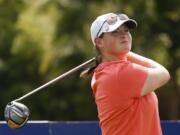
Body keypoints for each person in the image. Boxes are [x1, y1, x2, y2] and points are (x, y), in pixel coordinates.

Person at [80, 13, 170, 135]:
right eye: (115, 32)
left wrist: (124, 54)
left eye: (126, 30)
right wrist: (128, 53)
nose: (123, 35)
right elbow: (164, 74)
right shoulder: (119, 73)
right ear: (99, 42)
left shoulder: (106, 72)